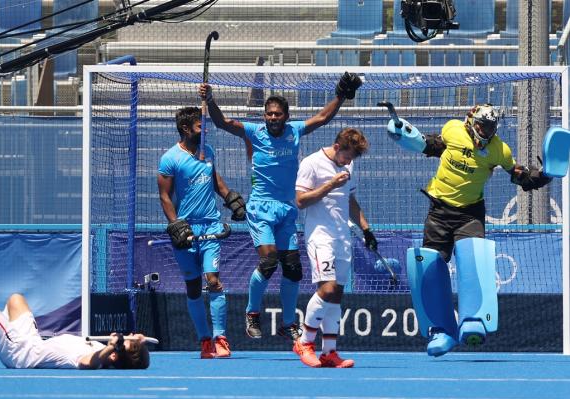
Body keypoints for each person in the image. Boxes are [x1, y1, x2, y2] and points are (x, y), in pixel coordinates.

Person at [199, 72, 362, 343]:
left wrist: (341, 96)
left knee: (293, 270)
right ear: (265, 115)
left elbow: (323, 118)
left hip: (287, 209)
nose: (273, 118)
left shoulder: (294, 131)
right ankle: (252, 312)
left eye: (277, 114)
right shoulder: (253, 132)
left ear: (286, 116)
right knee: (268, 261)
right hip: (261, 209)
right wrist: (211, 99)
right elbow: (221, 122)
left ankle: (288, 324)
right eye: (269, 114)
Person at [388, 103, 553, 356]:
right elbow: (432, 146)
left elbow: (517, 173)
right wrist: (405, 135)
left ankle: (473, 319)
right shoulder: (453, 130)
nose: (486, 131)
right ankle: (442, 331)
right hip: (439, 212)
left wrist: (542, 175)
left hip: (470, 214)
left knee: (472, 258)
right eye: (482, 125)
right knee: (431, 267)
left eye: (491, 127)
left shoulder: (500, 149)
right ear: (470, 122)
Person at [157, 106, 246, 359]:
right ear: (186, 129)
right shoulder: (170, 158)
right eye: (200, 126)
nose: (204, 130)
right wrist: (176, 225)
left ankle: (221, 338)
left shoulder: (208, 151)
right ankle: (205, 340)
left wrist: (231, 199)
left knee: (213, 281)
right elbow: (164, 196)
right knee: (193, 287)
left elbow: (216, 182)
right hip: (185, 230)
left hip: (211, 227)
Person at [293, 128, 371, 368]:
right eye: (347, 156)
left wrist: (367, 230)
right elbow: (300, 201)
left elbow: (349, 200)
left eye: (352, 160)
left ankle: (329, 352)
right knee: (326, 289)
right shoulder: (311, 163)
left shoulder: (348, 167)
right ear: (337, 146)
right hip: (320, 237)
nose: (349, 162)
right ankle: (304, 343)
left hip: (342, 238)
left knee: (336, 295)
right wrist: (329, 185)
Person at [0, 293, 150, 369]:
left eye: (122, 344)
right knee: (16, 299)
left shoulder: (95, 360)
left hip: (19, 352)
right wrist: (136, 342)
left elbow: (88, 363)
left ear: (115, 355)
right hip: (32, 341)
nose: (122, 338)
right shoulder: (109, 351)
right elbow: (131, 351)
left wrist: (111, 347)